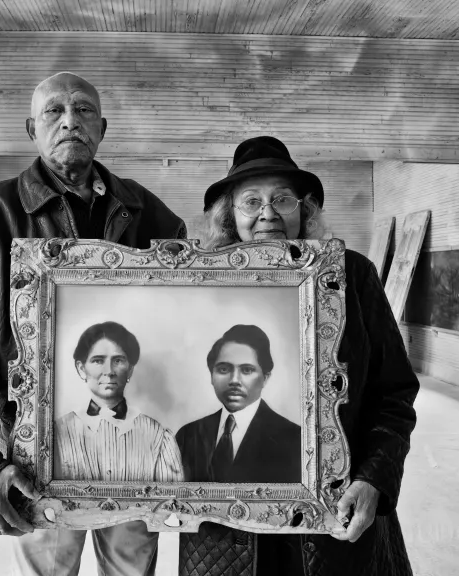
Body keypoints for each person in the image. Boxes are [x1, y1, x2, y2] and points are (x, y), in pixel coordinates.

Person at [0, 72, 186, 576]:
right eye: (54, 112)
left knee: (132, 570)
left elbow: (178, 334)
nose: (71, 121)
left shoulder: (148, 213)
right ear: (32, 128)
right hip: (34, 457)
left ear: (102, 127)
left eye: (85, 110)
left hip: (131, 455)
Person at [178, 136, 419, 576]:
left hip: (335, 517)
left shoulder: (352, 276)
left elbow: (395, 392)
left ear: (303, 210)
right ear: (229, 214)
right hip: (226, 535)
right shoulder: (201, 287)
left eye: (282, 199)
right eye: (251, 201)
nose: (267, 212)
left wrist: (373, 479)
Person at [55, 321, 184, 482]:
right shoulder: (57, 433)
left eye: (118, 361)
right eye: (98, 360)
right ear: (81, 369)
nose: (108, 371)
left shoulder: (157, 436)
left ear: (130, 369)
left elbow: (172, 502)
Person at [175, 324, 301, 484]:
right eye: (223, 369)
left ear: (266, 378)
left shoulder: (295, 440)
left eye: (247, 370)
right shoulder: (188, 436)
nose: (234, 380)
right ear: (211, 376)